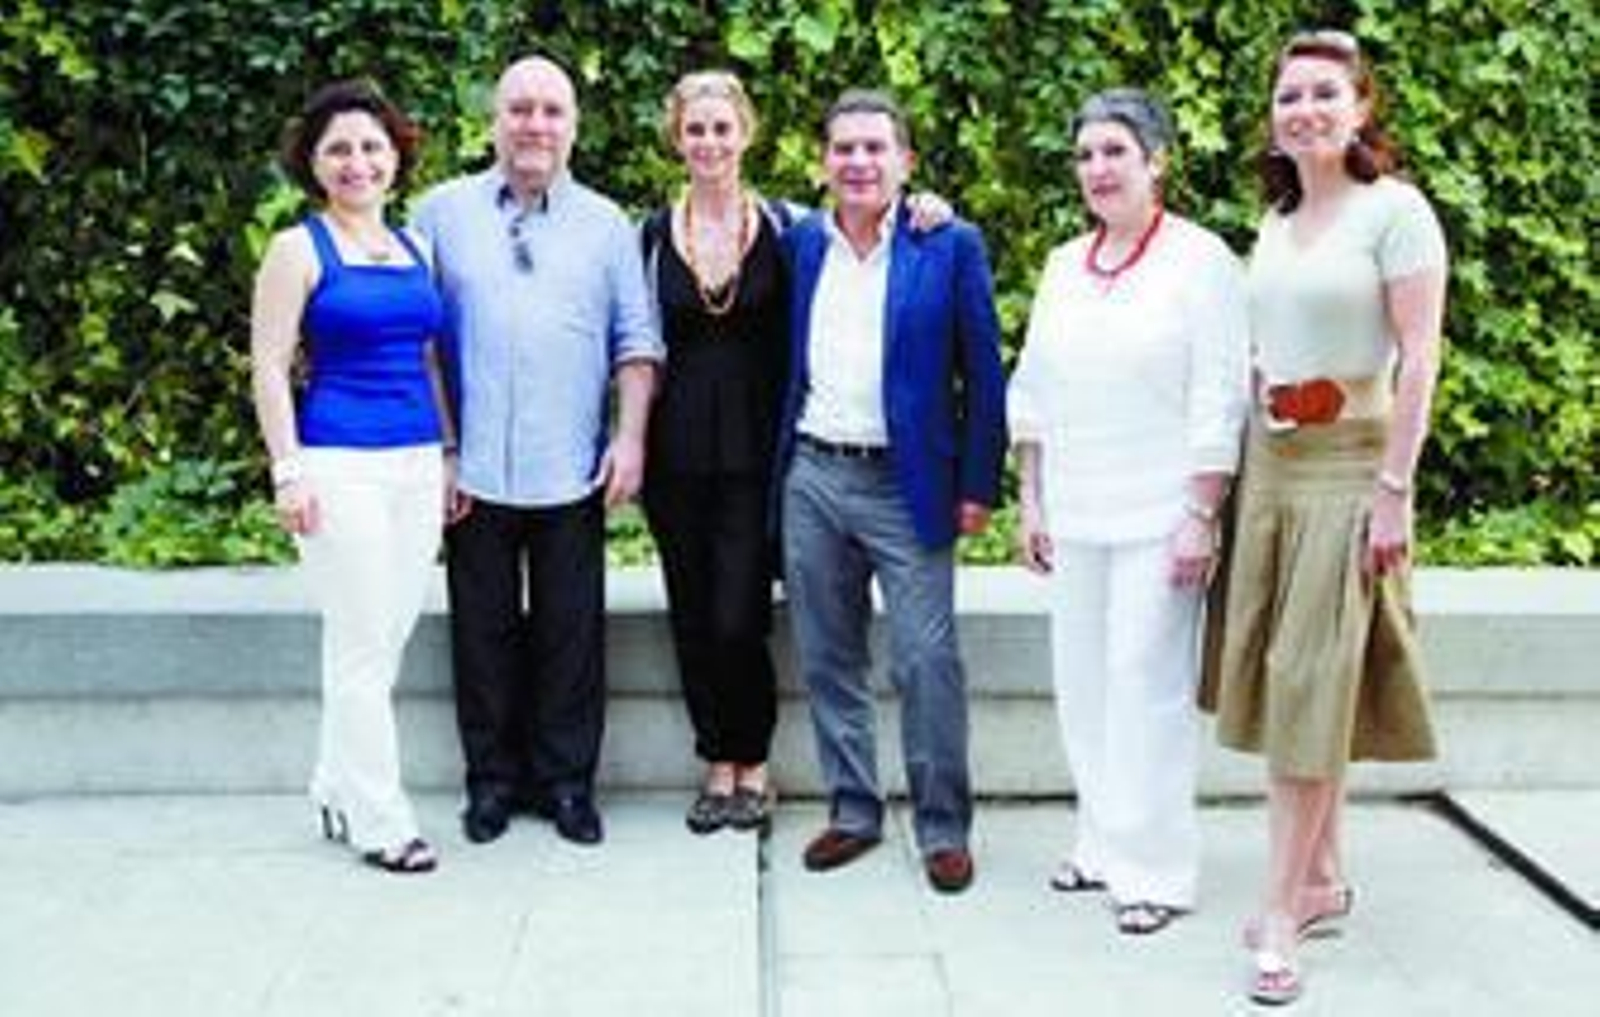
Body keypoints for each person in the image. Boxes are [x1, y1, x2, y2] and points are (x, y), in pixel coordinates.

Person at [1201, 29, 1448, 1005]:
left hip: (1351, 469)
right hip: (1275, 467)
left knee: (1309, 681)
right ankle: (1320, 879)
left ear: (1359, 109)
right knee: (1299, 678)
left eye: (1322, 93)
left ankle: (1276, 914)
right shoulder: (1278, 216)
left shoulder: (1396, 213)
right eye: (1287, 94)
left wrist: (1392, 489)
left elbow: (1419, 361)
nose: (1302, 108)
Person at [641, 71, 954, 837]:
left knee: (739, 613)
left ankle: (754, 761)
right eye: (695, 128)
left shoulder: (788, 229)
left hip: (761, 453)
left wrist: (925, 211)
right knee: (691, 613)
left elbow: (868, 253)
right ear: (676, 138)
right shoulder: (648, 234)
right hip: (675, 457)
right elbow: (634, 346)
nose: (709, 142)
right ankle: (717, 764)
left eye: (723, 127)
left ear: (746, 133)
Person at [1010, 89, 1250, 934]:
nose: (1098, 169)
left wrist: (1201, 512)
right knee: (1083, 685)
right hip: (1075, 508)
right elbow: (1033, 387)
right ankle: (1102, 843)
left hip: (1161, 513)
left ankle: (1155, 869)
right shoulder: (1063, 264)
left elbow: (1221, 394)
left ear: (1157, 160)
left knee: (1144, 685)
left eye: (1115, 151)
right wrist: (1031, 499)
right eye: (1085, 156)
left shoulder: (1203, 259)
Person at [412, 55, 663, 848]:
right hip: (474, 470)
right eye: (520, 108)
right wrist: (442, 449)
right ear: (494, 121)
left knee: (571, 635)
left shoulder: (606, 224)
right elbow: (415, 343)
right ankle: (490, 783)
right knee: (480, 634)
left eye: (552, 111)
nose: (535, 125)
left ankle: (566, 785)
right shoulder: (440, 214)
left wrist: (629, 437)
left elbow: (638, 341)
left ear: (574, 126)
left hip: (571, 469)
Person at [777, 89, 1007, 894]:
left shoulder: (948, 244)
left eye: (876, 148)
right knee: (828, 652)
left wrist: (979, 481)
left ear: (905, 161)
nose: (859, 162)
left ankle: (943, 825)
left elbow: (983, 371)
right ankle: (852, 809)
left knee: (925, 657)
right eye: (844, 148)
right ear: (823, 162)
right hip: (813, 473)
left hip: (907, 482)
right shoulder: (801, 243)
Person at [250, 79, 456, 875]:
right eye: (338, 148)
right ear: (314, 163)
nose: (357, 162)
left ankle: (334, 784)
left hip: (414, 463)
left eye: (371, 146)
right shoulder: (298, 249)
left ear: (395, 156)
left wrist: (446, 454)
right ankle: (381, 818)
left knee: (383, 636)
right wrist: (287, 472)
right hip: (338, 463)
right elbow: (268, 365)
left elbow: (430, 357)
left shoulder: (414, 248)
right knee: (363, 644)